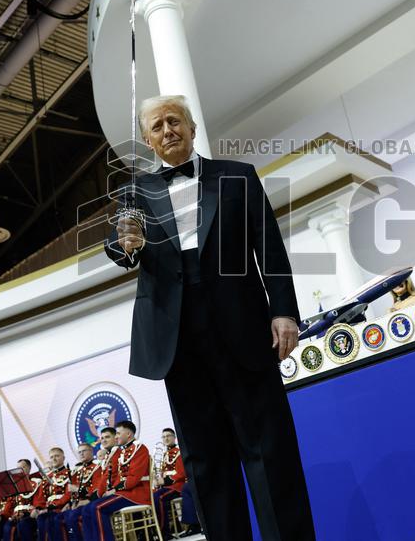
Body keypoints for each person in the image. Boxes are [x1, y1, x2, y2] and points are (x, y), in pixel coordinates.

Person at [105, 94, 315, 541]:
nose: (168, 131)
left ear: (192, 126)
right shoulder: (134, 193)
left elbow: (270, 250)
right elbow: (118, 248)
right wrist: (126, 243)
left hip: (242, 324)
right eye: (157, 126)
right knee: (205, 460)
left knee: (268, 450)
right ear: (148, 139)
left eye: (174, 121)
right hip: (176, 339)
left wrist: (284, 312)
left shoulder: (237, 176)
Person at [79, 421, 150, 541]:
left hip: (137, 493)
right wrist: (112, 490)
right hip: (125, 492)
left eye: (118, 433)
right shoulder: (124, 451)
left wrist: (114, 489)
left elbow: (133, 479)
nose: (116, 436)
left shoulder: (139, 448)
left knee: (97, 507)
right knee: (87, 509)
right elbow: (118, 477)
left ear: (128, 434)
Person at [152, 428, 187, 536]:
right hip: (167, 487)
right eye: (164, 436)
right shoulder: (165, 454)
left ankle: (164, 532)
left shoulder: (179, 452)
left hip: (178, 486)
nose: (166, 438)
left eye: (168, 436)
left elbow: (182, 474)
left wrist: (165, 481)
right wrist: (156, 479)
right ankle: (172, 526)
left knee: (159, 497)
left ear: (174, 437)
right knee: (153, 495)